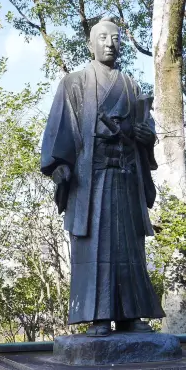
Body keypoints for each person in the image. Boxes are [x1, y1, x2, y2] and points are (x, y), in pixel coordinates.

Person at [40, 17, 165, 337]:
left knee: (129, 249)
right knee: (95, 247)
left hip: (126, 180)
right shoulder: (75, 83)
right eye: (103, 38)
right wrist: (59, 167)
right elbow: (60, 130)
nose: (110, 43)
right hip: (92, 182)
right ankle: (98, 316)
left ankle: (130, 314)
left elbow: (148, 131)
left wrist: (145, 137)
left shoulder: (131, 85)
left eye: (115, 38)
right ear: (91, 44)